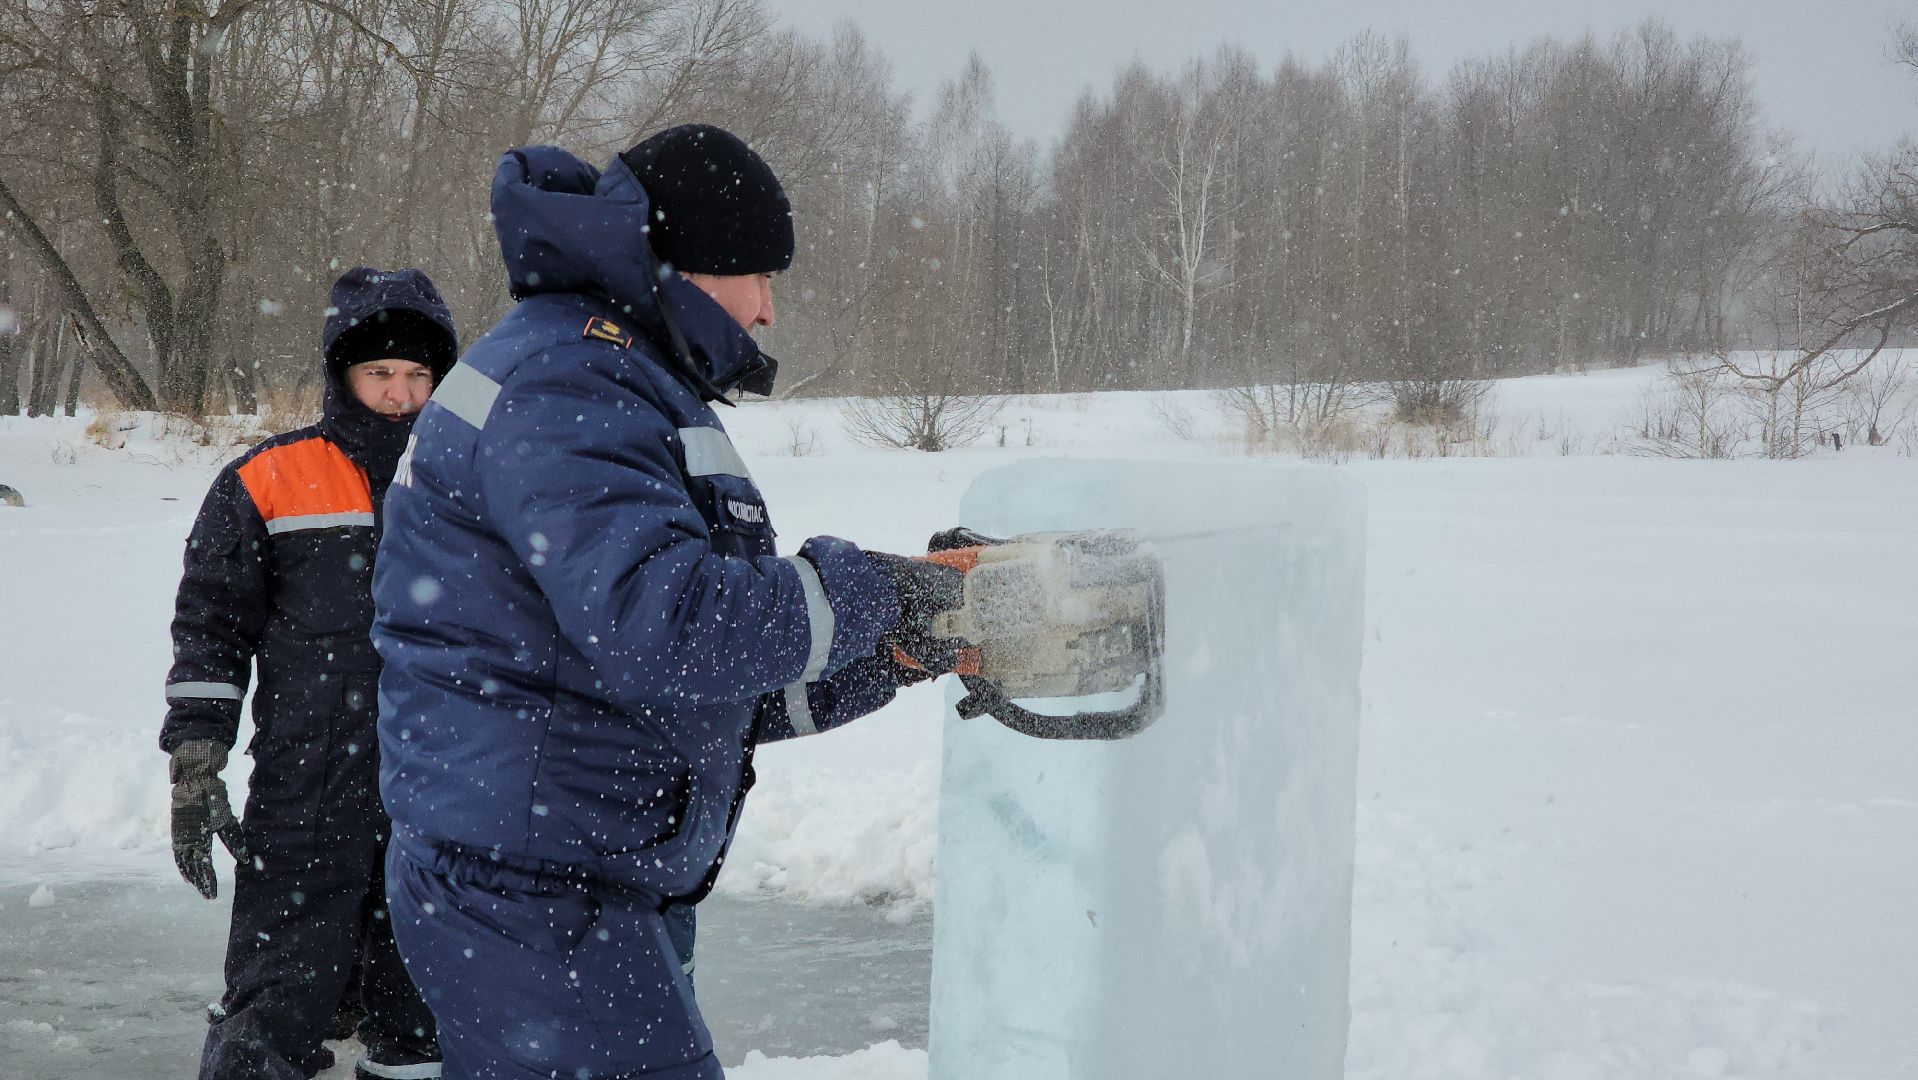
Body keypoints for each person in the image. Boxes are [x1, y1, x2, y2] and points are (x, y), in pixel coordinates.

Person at [370, 125, 960, 1079]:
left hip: (565, 876)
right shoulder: (569, 381)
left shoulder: (615, 373)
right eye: (759, 278)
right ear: (684, 266)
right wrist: (872, 589)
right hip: (529, 892)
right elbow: (667, 626)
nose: (768, 313)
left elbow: (669, 686)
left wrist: (888, 649)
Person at [163, 267, 456, 1080]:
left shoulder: (466, 479)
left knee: (425, 1024)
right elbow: (212, 623)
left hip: (440, 789)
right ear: (342, 373)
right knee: (271, 1013)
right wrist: (196, 753)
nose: (400, 394)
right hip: (306, 789)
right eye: (380, 373)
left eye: (417, 376)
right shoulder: (268, 476)